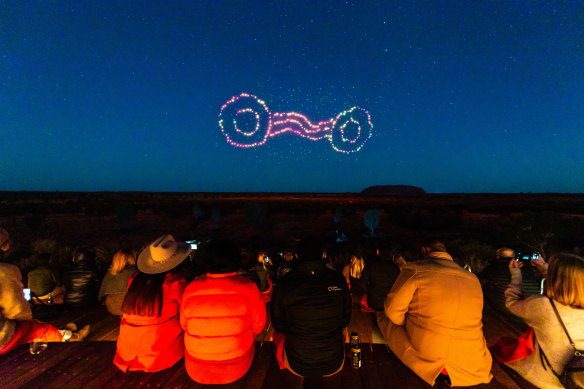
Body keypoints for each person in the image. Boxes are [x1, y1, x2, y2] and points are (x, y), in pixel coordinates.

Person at [378, 240, 492, 386]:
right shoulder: (473, 278)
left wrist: (405, 322)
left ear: (425, 250)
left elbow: (393, 311)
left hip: (431, 355)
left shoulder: (415, 269)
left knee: (385, 319)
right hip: (472, 360)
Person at [181, 240, 266, 384]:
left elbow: (184, 325)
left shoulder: (191, 289)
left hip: (196, 367)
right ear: (236, 260)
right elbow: (258, 326)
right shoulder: (248, 287)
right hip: (235, 367)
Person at [271, 237, 351, 377]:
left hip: (297, 364)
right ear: (323, 255)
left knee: (277, 335)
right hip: (334, 363)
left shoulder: (285, 282)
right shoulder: (338, 279)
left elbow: (278, 325)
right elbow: (345, 320)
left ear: (296, 256)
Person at [0, 228, 88, 356]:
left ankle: (64, 332)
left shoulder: (29, 272)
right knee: (41, 329)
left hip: (35, 299)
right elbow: (19, 312)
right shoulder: (5, 271)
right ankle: (69, 338)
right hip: (3, 337)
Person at [501, 253, 584, 388]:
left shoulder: (542, 306)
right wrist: (545, 269)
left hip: (544, 381)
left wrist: (516, 274)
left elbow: (512, 302)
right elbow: (567, 285)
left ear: (554, 278)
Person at [114, 234, 189, 373]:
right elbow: (185, 314)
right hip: (158, 350)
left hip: (127, 347)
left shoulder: (135, 279)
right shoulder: (175, 282)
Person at [478, 247, 542, 316]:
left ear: (498, 257)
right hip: (530, 309)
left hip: (506, 310)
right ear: (514, 257)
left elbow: (478, 283)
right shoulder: (528, 269)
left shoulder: (492, 268)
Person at [98, 249, 137, 315]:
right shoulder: (135, 272)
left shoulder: (110, 272)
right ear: (131, 258)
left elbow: (101, 294)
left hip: (113, 308)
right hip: (130, 308)